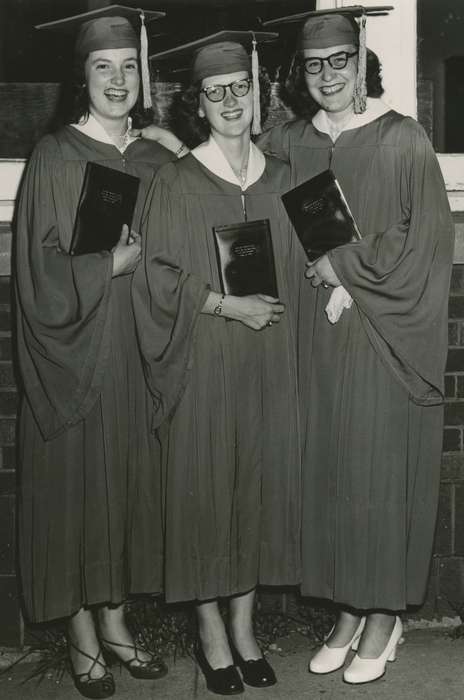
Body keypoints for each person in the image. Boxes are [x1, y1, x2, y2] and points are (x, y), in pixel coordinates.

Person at [258, 5, 454, 685]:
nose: (328, 75)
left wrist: (345, 267)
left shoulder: (404, 140)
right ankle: (346, 608)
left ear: (362, 62)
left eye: (340, 60)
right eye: (314, 65)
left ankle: (382, 615)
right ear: (299, 74)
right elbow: (242, 191)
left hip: (382, 335)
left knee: (377, 472)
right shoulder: (292, 144)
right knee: (333, 475)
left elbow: (425, 241)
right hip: (318, 337)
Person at [132, 31, 307, 696]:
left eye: (241, 88)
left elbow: (319, 252)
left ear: (257, 95)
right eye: (216, 92)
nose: (231, 100)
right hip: (204, 356)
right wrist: (227, 307)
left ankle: (245, 627)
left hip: (268, 361)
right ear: (197, 104)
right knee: (204, 489)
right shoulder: (175, 181)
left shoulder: (285, 177)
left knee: (256, 488)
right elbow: (155, 274)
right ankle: (210, 632)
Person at [15, 6, 172, 698]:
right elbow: (35, 274)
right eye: (103, 67)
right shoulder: (55, 155)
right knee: (77, 495)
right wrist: (105, 268)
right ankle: (83, 638)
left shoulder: (146, 155)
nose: (117, 79)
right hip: (74, 360)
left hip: (130, 359)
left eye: (128, 67)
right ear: (82, 78)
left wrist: (170, 144)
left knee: (120, 494)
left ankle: (117, 624)